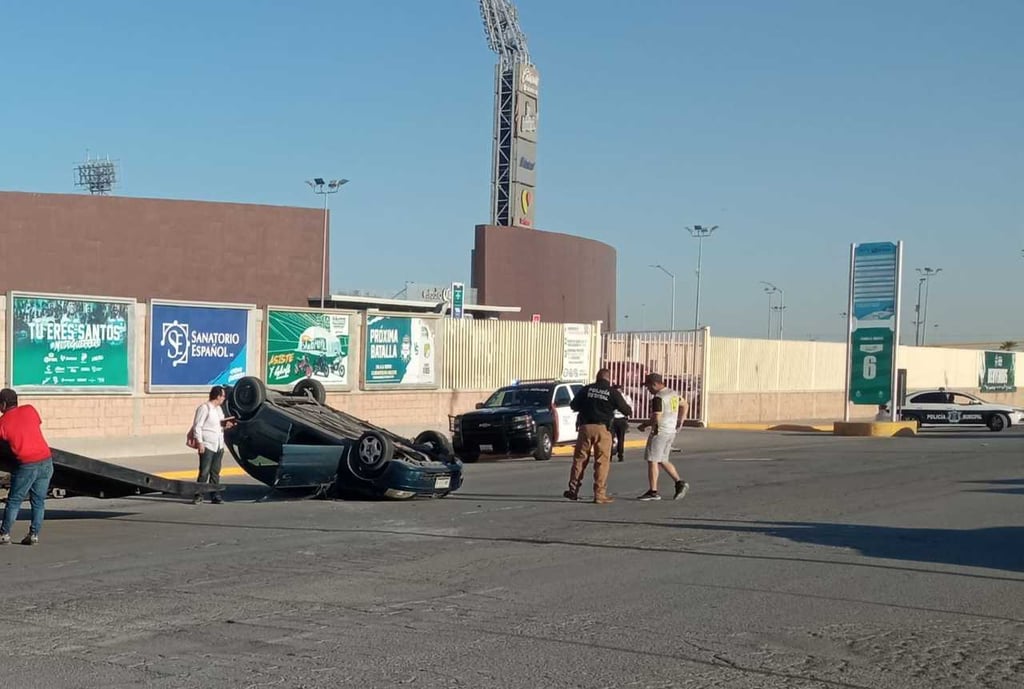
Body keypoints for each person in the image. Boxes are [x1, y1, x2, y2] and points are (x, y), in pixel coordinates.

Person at [564, 369, 632, 504]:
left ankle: (573, 491)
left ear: (597, 377)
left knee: (580, 460)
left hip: (585, 428)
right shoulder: (613, 392)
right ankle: (599, 494)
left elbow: (573, 405)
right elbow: (627, 410)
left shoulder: (586, 389)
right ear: (609, 378)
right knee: (602, 462)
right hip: (603, 429)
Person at [0, 388, 54, 545]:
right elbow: (35, 424)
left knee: (15, 500)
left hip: (27, 464)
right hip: (46, 460)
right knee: (38, 501)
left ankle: (4, 534)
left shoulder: (3, 423)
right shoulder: (30, 410)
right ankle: (34, 535)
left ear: (3, 404)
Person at [636, 373, 689, 501]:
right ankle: (679, 482)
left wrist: (645, 425)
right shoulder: (673, 394)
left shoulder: (658, 398)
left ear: (654, 384)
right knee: (663, 459)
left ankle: (653, 491)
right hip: (671, 431)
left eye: (648, 386)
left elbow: (656, 416)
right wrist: (680, 421)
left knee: (652, 459)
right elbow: (685, 405)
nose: (648, 389)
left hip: (660, 431)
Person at [191, 385, 235, 504]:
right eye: (223, 396)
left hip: (218, 444)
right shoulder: (205, 408)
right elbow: (198, 426)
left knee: (215, 472)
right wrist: (200, 442)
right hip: (207, 444)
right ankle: (198, 495)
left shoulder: (219, 410)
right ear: (217, 396)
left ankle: (215, 495)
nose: (224, 399)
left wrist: (226, 426)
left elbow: (219, 425)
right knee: (204, 471)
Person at [611, 383, 633, 462]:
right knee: (620, 438)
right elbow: (630, 410)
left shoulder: (612, 397)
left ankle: (613, 455)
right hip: (620, 419)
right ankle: (620, 455)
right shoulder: (626, 398)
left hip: (615, 420)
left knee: (612, 438)